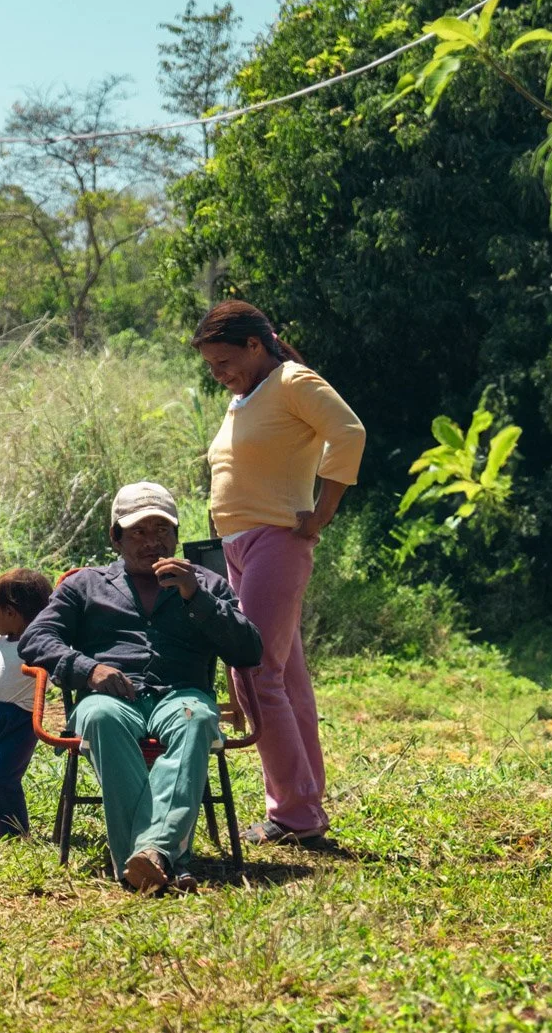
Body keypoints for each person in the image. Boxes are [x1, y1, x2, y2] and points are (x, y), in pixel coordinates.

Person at [17, 482, 262, 893]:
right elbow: (36, 639)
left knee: (196, 718)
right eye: (138, 532)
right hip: (111, 697)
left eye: (162, 531)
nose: (152, 542)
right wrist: (87, 668)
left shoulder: (206, 584)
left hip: (181, 694)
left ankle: (147, 856)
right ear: (116, 537)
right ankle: (168, 857)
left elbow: (249, 650)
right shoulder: (85, 586)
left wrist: (195, 598)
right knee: (99, 716)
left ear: (176, 535)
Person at [193, 300, 365, 846]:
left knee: (255, 671)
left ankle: (293, 815)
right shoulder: (245, 397)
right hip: (239, 545)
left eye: (225, 362)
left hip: (276, 541)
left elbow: (349, 431)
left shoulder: (293, 380)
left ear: (254, 344)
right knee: (285, 678)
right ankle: (303, 805)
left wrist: (323, 511)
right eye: (211, 368)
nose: (219, 375)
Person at [0, 567, 53, 838]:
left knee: (2, 776)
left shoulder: (38, 646)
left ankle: (15, 833)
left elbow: (50, 673)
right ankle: (3, 828)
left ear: (12, 613)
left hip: (20, 718)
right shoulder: (2, 641)